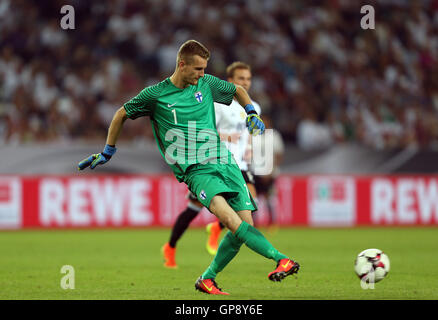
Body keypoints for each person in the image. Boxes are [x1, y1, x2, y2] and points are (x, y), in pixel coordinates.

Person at [78, 40, 299, 295]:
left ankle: (207, 278)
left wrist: (251, 112)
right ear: (181, 65)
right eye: (198, 69)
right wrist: (108, 151)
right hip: (197, 171)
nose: (202, 75)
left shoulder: (205, 84)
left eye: (204, 69)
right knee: (230, 221)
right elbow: (121, 114)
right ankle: (280, 259)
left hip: (225, 162)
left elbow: (237, 90)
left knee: (243, 227)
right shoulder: (156, 95)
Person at [162, 61, 261, 269]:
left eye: (248, 79)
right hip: (214, 162)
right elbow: (202, 130)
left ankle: (217, 227)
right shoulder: (217, 105)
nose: (246, 82)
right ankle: (170, 247)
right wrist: (226, 136)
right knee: (193, 208)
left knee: (248, 204)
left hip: (239, 165)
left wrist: (250, 147)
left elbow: (248, 133)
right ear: (230, 81)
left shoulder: (253, 106)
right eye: (241, 79)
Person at [251, 114, 285, 228]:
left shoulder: (274, 136)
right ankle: (254, 224)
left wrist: (270, 170)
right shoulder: (252, 135)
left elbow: (279, 155)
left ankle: (272, 223)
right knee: (253, 198)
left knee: (269, 198)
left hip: (270, 173)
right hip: (254, 172)